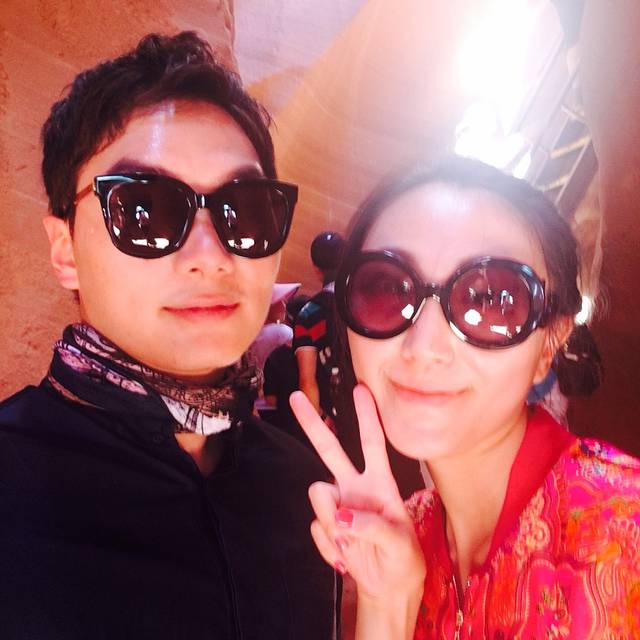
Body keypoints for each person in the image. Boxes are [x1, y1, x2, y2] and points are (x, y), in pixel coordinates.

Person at [0, 32, 336, 639]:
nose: (211, 256)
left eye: (246, 209)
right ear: (65, 249)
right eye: (145, 209)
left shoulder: (302, 486)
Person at [290, 156, 640, 639]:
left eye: (491, 301)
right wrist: (385, 605)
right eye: (386, 289)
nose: (423, 347)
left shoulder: (625, 532)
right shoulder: (405, 534)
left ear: (549, 345)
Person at [293, 230, 345, 422]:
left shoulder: (308, 314)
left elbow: (307, 380)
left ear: (316, 269)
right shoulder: (362, 303)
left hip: (335, 414)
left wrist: (320, 420)